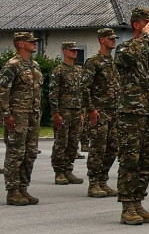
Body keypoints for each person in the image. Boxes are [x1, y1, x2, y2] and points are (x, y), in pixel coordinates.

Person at [113, 7, 149, 225]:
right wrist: (144, 37)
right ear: (136, 24)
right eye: (147, 21)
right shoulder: (125, 48)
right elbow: (128, 58)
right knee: (130, 159)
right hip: (131, 113)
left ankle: (138, 200)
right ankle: (127, 206)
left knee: (146, 161)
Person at [1, 31, 43, 206]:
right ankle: (13, 191)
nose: (34, 43)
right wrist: (6, 115)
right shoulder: (12, 65)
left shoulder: (34, 65)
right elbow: (3, 91)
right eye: (30, 41)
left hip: (33, 114)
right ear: (20, 44)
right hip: (18, 115)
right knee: (15, 153)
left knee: (30, 153)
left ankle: (23, 188)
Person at [81, 28, 120, 198]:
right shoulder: (93, 62)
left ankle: (103, 180)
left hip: (114, 112)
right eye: (110, 38)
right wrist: (90, 109)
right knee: (98, 148)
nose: (113, 41)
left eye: (114, 38)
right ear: (101, 40)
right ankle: (94, 183)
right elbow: (84, 87)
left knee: (113, 147)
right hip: (99, 112)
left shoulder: (112, 62)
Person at [49, 41, 85, 186]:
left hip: (76, 111)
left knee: (73, 142)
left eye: (76, 50)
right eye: (71, 50)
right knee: (61, 142)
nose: (74, 52)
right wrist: (55, 113)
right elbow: (53, 94)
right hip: (63, 111)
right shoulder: (58, 71)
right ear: (64, 51)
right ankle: (59, 172)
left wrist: (82, 111)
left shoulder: (79, 70)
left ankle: (68, 169)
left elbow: (82, 92)